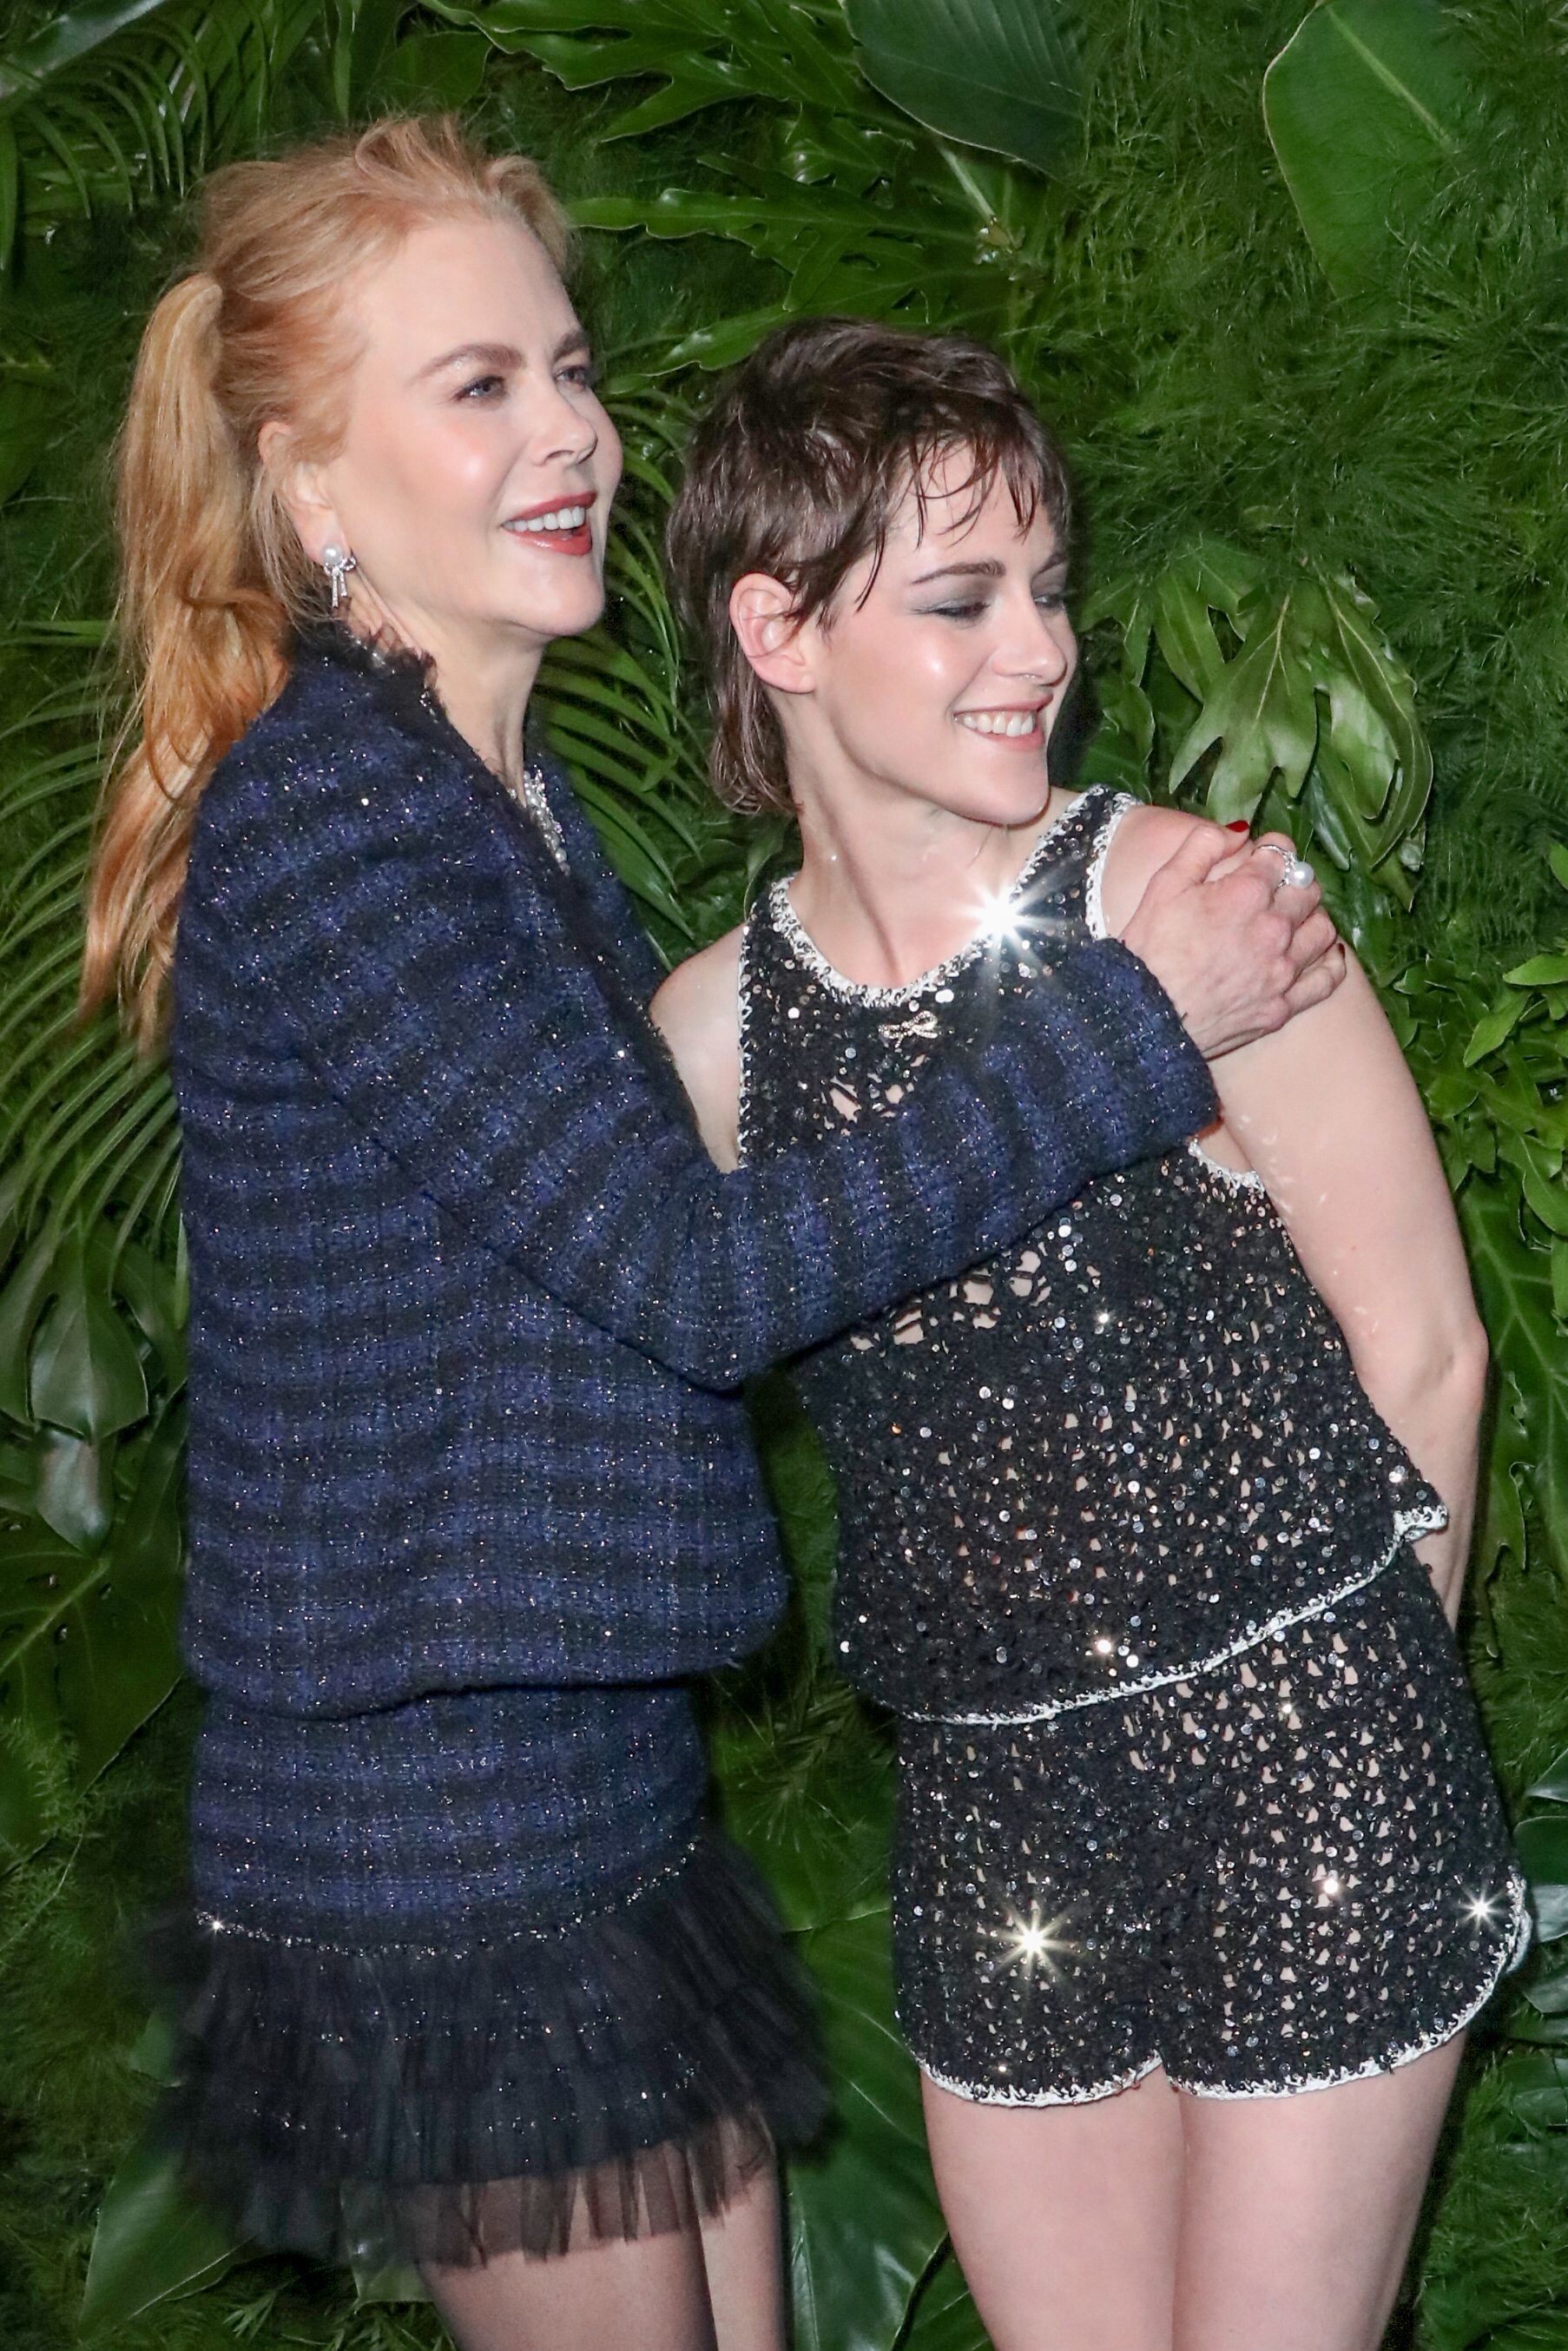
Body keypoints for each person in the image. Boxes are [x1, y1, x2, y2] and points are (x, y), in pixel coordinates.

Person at [81, 119, 1339, 2351]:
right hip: (446, 1820)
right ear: (309, 485)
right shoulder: (345, 822)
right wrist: (1145, 1019)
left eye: (569, 369)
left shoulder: (498, 803)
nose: (570, 431)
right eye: (478, 386)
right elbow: (694, 1279)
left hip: (584, 1767)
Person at [652, 317, 1525, 2351]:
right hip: (993, 1824)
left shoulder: (1198, 907)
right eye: (961, 599)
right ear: (778, 628)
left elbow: (1426, 1346)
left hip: (1313, 1762)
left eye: (1048, 588)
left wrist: (1355, 1727)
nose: (1039, 648)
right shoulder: (707, 1041)